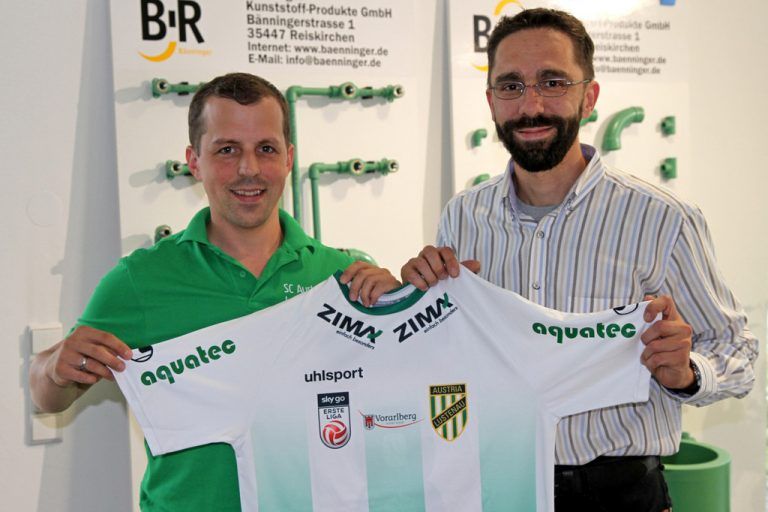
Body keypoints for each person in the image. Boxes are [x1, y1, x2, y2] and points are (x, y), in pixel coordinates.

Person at [401, 8, 757, 512]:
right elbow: (452, 352)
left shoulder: (663, 219)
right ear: (491, 102)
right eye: (511, 86)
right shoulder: (464, 217)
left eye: (552, 82)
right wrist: (421, 303)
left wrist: (687, 372)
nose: (531, 105)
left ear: (589, 96)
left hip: (620, 493)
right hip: (494, 485)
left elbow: (739, 352)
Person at [29, 72, 399, 511]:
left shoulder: (341, 275)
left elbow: (394, 401)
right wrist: (55, 368)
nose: (249, 169)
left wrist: (399, 309)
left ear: (289, 159)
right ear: (194, 161)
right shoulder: (141, 279)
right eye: (227, 150)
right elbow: (47, 395)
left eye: (266, 149)